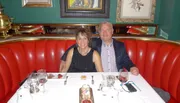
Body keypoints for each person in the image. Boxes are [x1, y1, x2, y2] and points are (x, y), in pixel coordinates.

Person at [60, 21, 139, 75]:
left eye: (107, 30)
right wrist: (64, 59)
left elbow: (127, 61)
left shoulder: (120, 46)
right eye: (102, 30)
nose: (104, 33)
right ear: (99, 32)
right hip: (99, 78)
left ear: (112, 31)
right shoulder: (94, 43)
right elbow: (78, 46)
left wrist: (132, 67)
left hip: (116, 78)